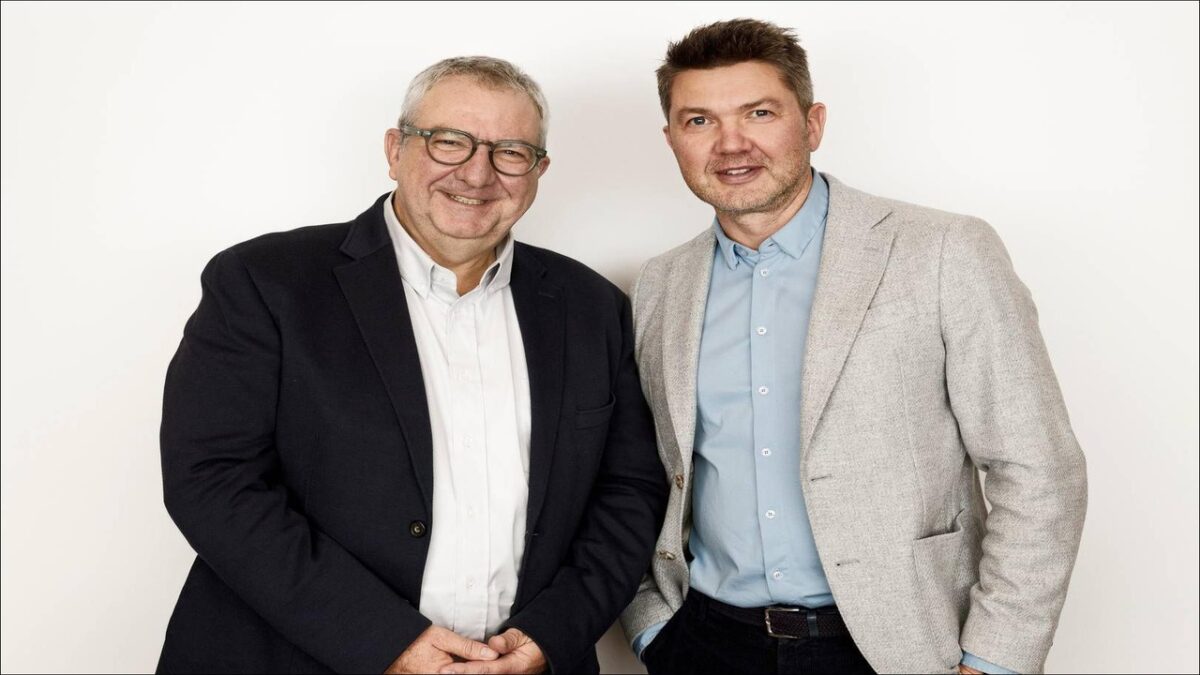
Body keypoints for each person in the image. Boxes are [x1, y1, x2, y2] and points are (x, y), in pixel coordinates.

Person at [158, 56, 667, 675]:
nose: (477, 173)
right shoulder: (265, 282)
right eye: (449, 142)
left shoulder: (592, 306)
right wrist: (386, 641)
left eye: (510, 152)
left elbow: (629, 492)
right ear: (395, 150)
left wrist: (551, 635)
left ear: (538, 170)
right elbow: (212, 480)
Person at [620, 19, 1087, 675]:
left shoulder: (944, 251)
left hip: (900, 647)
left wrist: (994, 659)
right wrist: (652, 627)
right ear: (672, 139)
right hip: (705, 642)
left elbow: (1037, 468)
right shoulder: (661, 283)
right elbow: (644, 472)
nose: (731, 143)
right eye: (699, 121)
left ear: (812, 124)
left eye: (759, 113)